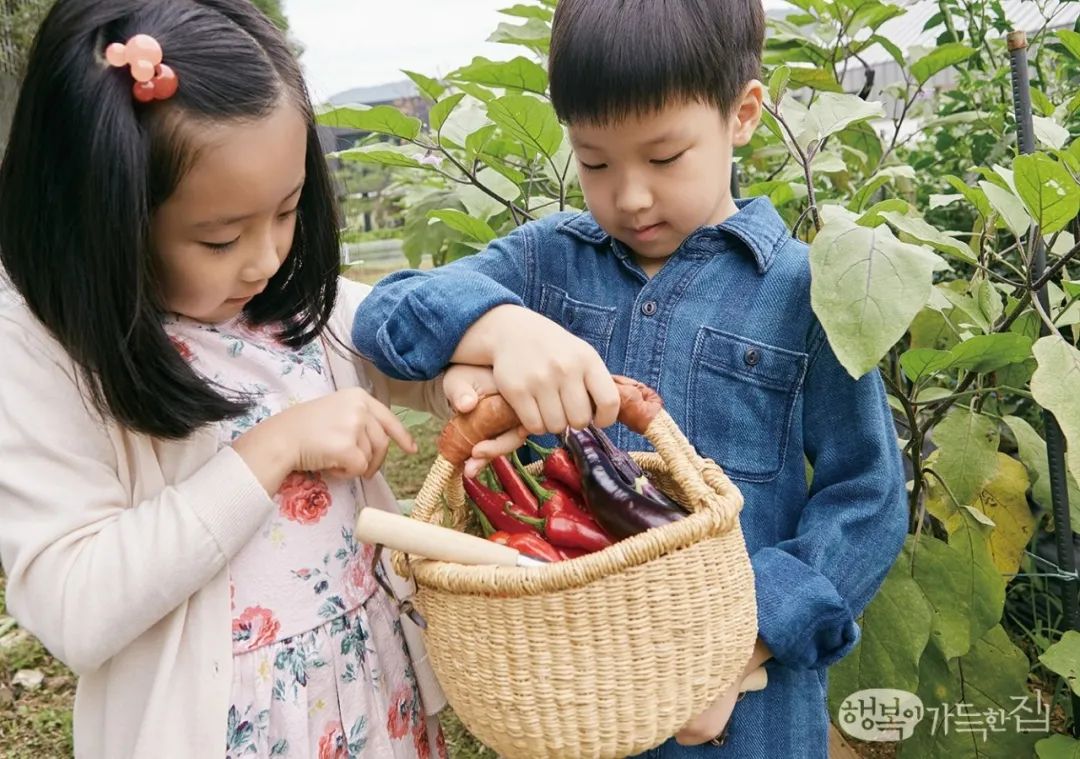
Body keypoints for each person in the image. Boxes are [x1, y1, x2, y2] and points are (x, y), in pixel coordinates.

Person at [351, 0, 909, 755]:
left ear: (742, 113)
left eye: (665, 156)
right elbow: (387, 314)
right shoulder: (546, 263)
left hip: (742, 715)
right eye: (596, 162)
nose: (631, 195)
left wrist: (746, 642)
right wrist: (503, 325)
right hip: (573, 691)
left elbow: (866, 497)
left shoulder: (804, 293)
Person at [0, 1, 497, 756]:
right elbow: (74, 600)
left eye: (288, 210)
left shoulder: (278, 302)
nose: (265, 258)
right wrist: (268, 452)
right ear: (104, 218)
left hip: (371, 697)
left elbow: (404, 337)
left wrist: (480, 352)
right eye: (221, 236)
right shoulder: (47, 350)